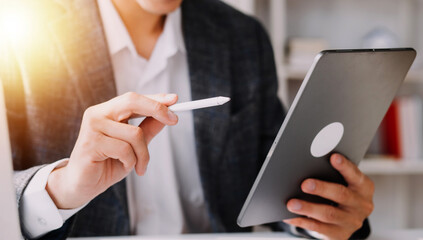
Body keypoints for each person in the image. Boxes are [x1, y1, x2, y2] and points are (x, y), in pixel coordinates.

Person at [1, 0, 374, 239]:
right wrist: (60, 189)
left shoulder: (241, 37)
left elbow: (277, 184)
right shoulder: (19, 37)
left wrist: (323, 219)